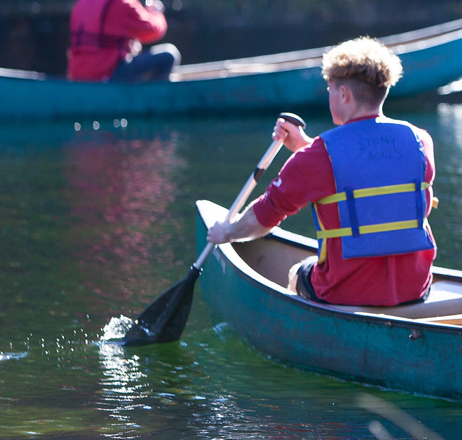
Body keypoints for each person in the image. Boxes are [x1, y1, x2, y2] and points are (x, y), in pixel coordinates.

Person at [207, 36, 437, 307]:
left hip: (346, 292)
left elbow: (263, 218)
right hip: (415, 289)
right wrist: (306, 145)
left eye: (330, 89)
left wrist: (227, 233)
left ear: (343, 94)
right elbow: (372, 169)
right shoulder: (420, 141)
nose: (330, 96)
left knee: (297, 273)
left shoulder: (315, 157)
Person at [67, 0, 181, 82]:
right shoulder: (123, 3)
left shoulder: (81, 4)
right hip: (107, 75)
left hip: (77, 75)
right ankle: (153, 101)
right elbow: (153, 30)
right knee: (169, 54)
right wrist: (156, 13)